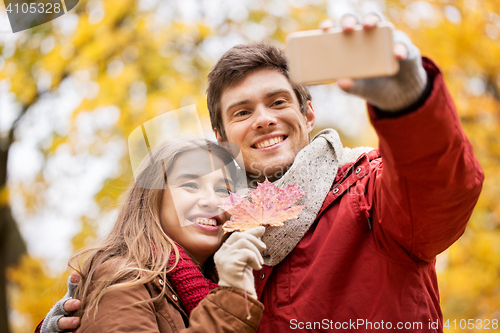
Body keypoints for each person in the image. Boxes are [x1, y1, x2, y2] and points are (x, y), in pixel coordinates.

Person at [40, 13, 484, 333]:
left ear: (308, 113)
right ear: (220, 135)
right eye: (242, 111)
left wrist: (409, 103)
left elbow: (440, 192)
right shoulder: (209, 236)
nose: (264, 119)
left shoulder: (370, 191)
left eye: (277, 102)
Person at [37, 138, 266, 333]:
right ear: (153, 198)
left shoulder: (230, 282)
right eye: (190, 185)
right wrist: (229, 305)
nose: (212, 201)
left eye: (223, 190)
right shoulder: (124, 277)